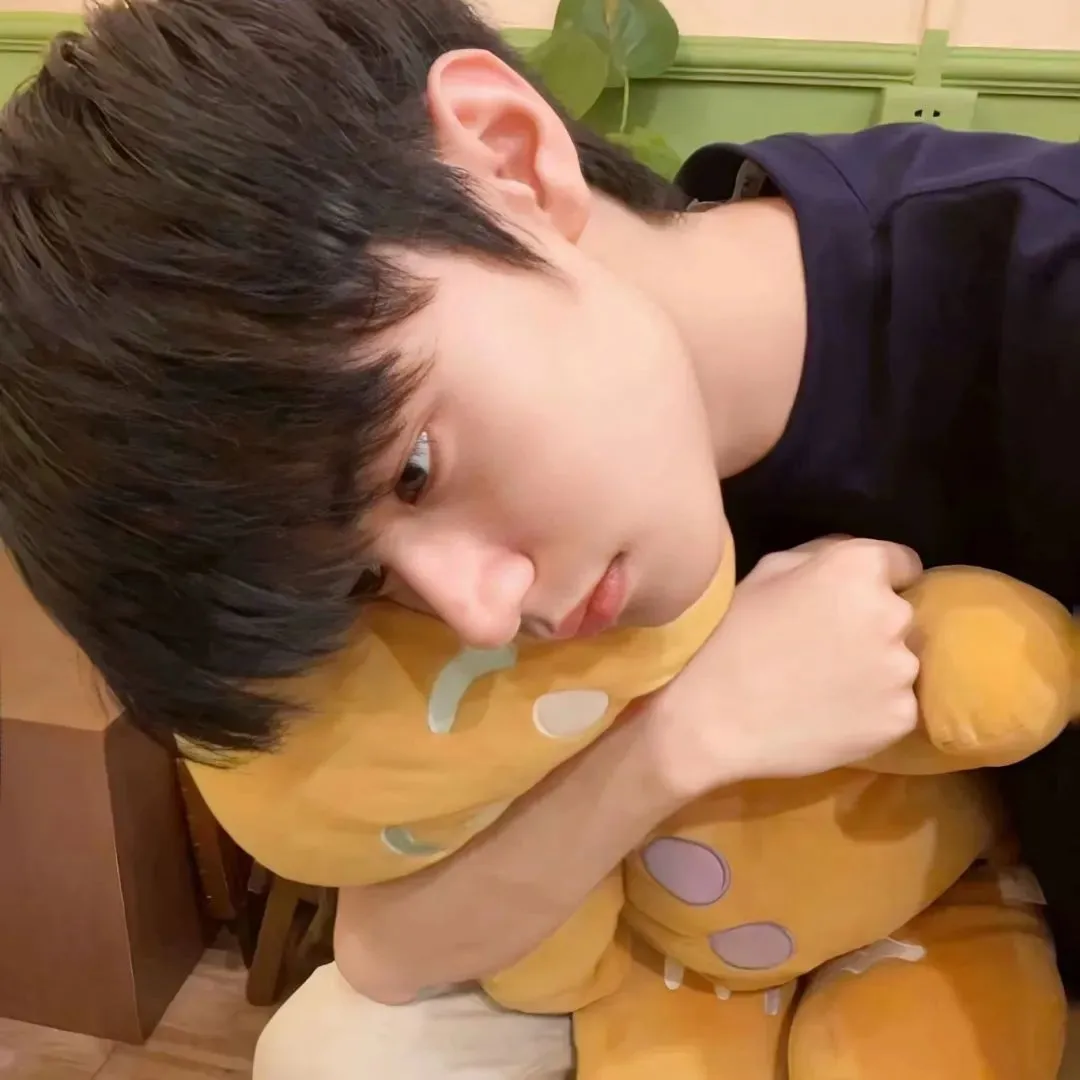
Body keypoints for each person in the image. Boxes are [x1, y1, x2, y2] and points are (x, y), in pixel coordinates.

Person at [0, 0, 1077, 1075]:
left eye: (414, 467)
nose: (479, 611)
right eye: (365, 577)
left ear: (506, 158)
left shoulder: (1039, 299)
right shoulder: (383, 504)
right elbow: (384, 947)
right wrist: (682, 736)